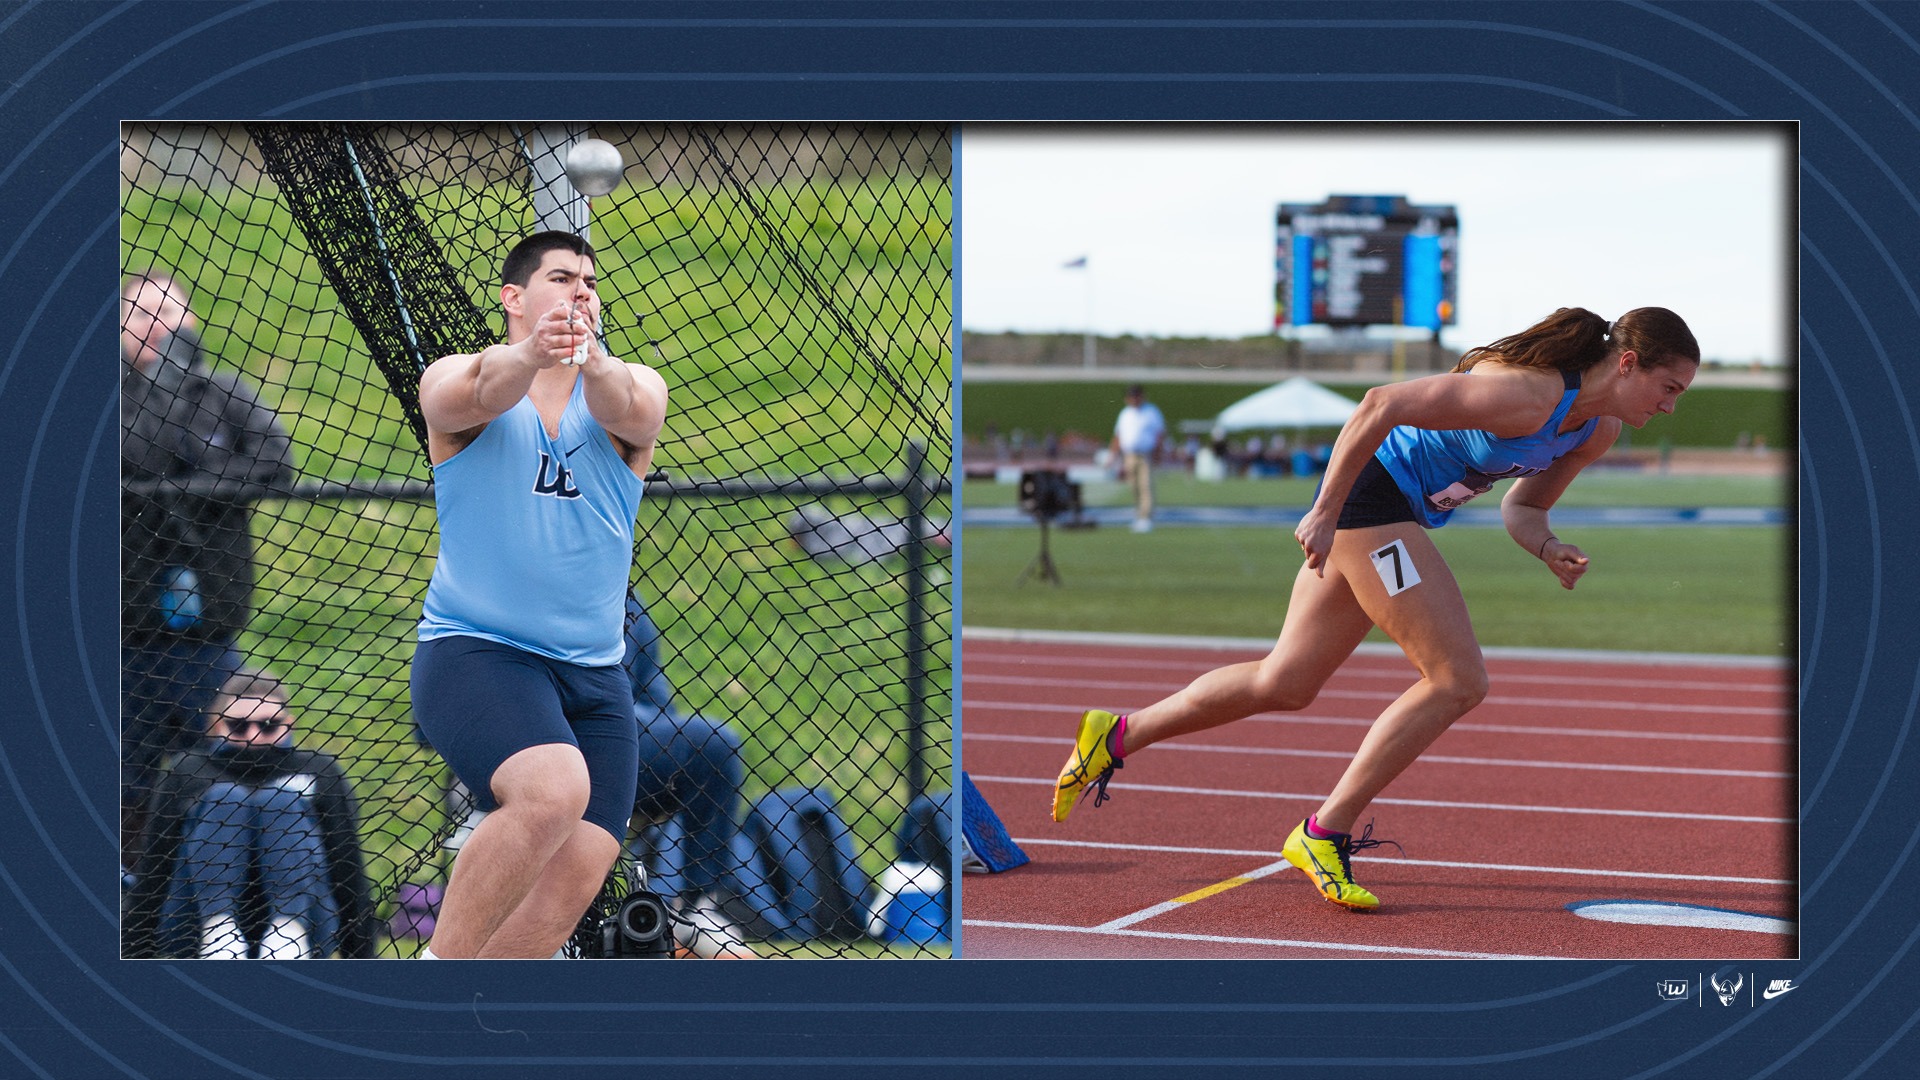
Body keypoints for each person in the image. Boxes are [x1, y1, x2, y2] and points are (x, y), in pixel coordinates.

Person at [1053, 307, 1700, 910]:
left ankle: (1113, 735)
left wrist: (1549, 546)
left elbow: (1524, 507)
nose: (1671, 407)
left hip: (1392, 516)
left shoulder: (1598, 429)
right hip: (1370, 502)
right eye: (1668, 387)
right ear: (1627, 363)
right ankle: (1322, 831)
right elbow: (1379, 404)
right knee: (1457, 678)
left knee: (1286, 680)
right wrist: (1326, 511)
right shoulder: (1527, 394)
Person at [410, 230, 668, 959]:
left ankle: (470, 1026)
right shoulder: (461, 376)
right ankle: (428, 981)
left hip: (594, 674)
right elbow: (469, 394)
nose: (580, 290)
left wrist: (591, 357)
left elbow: (633, 410)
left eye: (589, 280)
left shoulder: (628, 387)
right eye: (561, 278)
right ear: (514, 298)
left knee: (578, 871)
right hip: (478, 653)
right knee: (554, 790)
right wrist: (531, 355)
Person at [121, 272, 294, 875]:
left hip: (209, 627)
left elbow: (276, 463)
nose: (154, 326)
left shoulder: (224, 394)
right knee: (123, 784)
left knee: (239, 764)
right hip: (124, 633)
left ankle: (240, 889)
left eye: (167, 312)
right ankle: (129, 899)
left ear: (191, 321)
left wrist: (193, 490)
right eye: (137, 315)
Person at [125, 667, 373, 958]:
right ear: (218, 725)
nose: (254, 737)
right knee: (225, 798)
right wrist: (131, 955)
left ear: (288, 725)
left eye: (268, 725)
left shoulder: (319, 769)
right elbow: (156, 867)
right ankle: (220, 931)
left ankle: (287, 932)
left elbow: (346, 865)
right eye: (238, 726)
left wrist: (362, 959)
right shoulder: (188, 769)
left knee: (280, 801)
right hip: (195, 927)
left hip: (306, 924)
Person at [620, 595, 757, 958]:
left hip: (625, 746)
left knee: (712, 746)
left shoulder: (629, 605)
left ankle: (696, 909)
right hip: (554, 745)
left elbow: (658, 707)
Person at [1110, 383, 1165, 532]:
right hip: (1130, 455)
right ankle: (1138, 514)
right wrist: (1113, 456)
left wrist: (1158, 454)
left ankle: (1146, 517)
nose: (1133, 399)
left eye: (1136, 396)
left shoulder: (1151, 412)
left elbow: (1159, 434)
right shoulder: (1125, 414)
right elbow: (1118, 436)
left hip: (1145, 454)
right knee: (1133, 486)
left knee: (1145, 485)